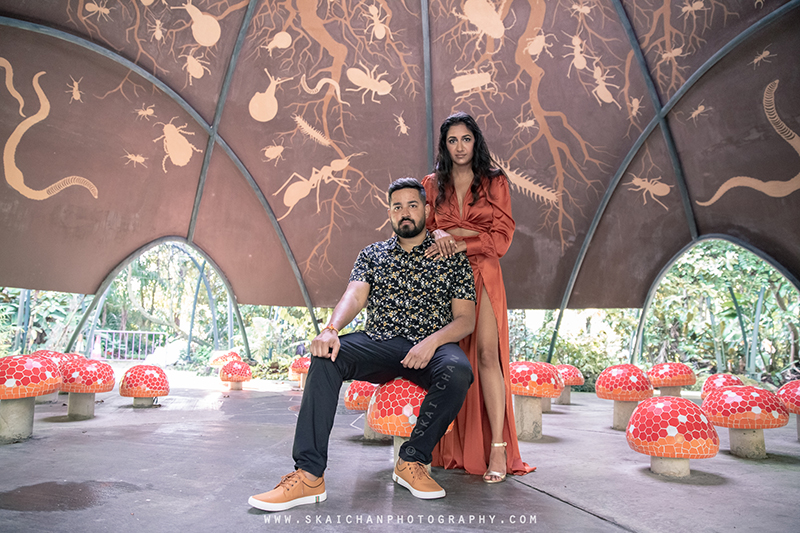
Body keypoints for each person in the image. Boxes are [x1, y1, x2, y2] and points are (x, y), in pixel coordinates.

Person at [248, 177, 477, 512]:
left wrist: (432, 342)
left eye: (412, 205)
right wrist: (330, 329)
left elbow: (465, 319)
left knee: (459, 371)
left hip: (431, 345)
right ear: (389, 213)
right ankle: (309, 475)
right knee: (326, 357)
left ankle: (412, 460)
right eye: (397, 207)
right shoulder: (373, 254)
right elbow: (355, 295)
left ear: (427, 209)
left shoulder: (449, 254)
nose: (405, 213)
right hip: (381, 342)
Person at [423, 111, 534, 482]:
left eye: (465, 139)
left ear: (476, 141)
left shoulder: (495, 181)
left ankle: (498, 449)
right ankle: (446, 445)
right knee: (451, 358)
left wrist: (453, 238)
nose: (459, 147)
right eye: (452, 140)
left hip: (485, 274)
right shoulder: (431, 184)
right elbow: (428, 235)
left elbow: (500, 240)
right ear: (444, 145)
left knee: (487, 355)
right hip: (447, 279)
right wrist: (447, 235)